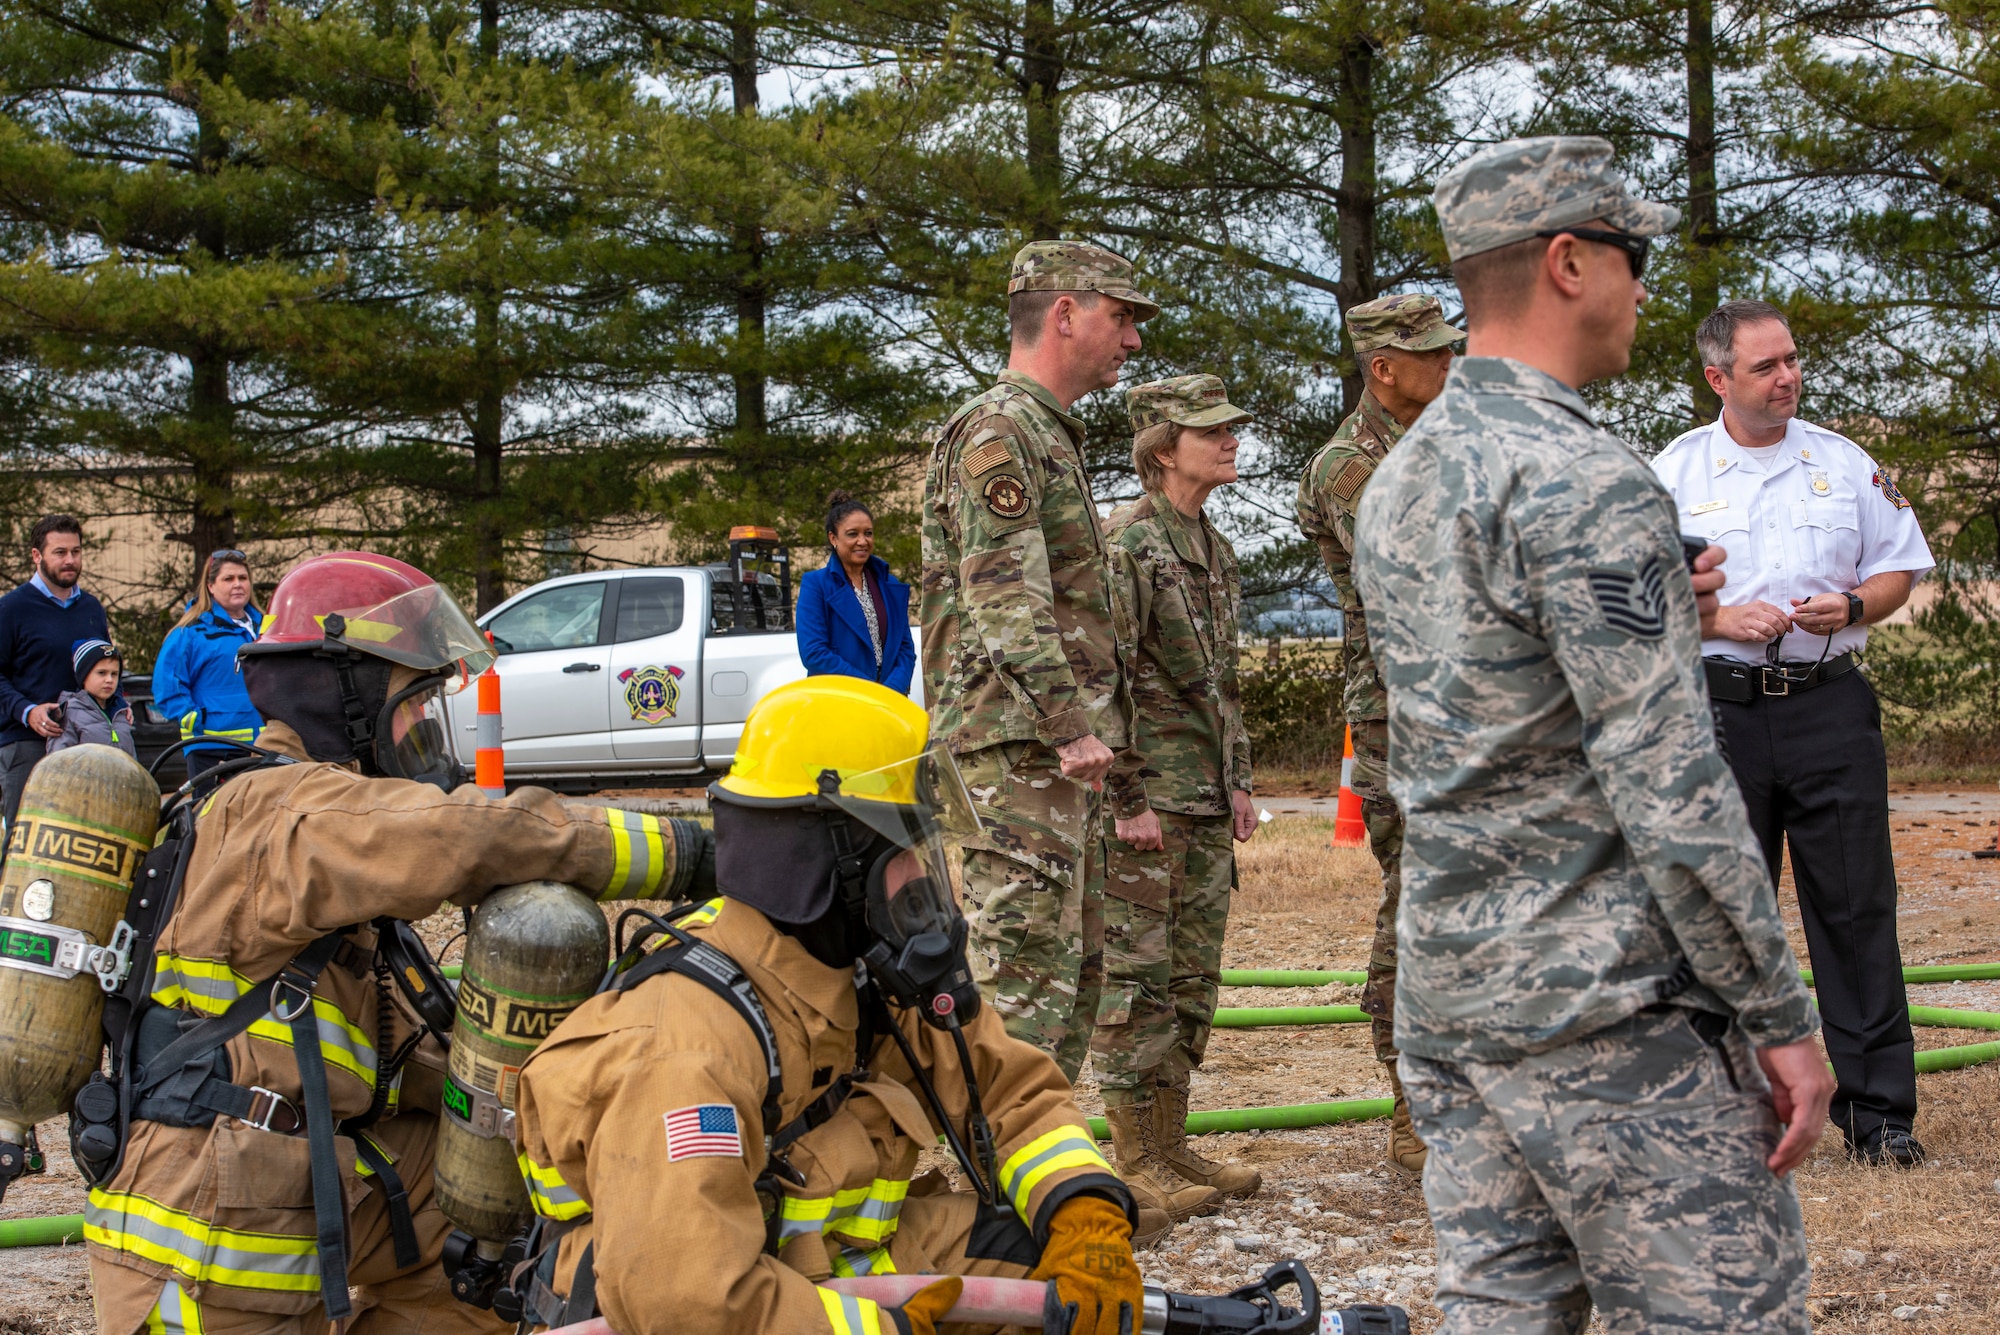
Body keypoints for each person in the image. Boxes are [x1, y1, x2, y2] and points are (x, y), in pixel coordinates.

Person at [1352, 136, 1833, 1331]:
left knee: (1501, 1310)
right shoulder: (1585, 478)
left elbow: (1480, 711)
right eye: (1630, 257)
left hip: (1453, 994)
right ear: (1567, 262)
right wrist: (1778, 1017)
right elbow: (1668, 784)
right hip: (1599, 1007)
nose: (1640, 288)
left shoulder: (1401, 478)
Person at [83, 550, 715, 1335]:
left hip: (294, 1175)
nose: (423, 734)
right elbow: (471, 835)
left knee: (505, 1207)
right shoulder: (290, 810)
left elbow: (391, 1045)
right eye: (411, 706)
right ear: (342, 696)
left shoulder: (309, 825)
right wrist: (703, 852)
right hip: (212, 1237)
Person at [513, 676, 1155, 1335]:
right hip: (693, 1308)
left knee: (1035, 1255)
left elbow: (1006, 1088)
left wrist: (1085, 1212)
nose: (927, 883)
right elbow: (693, 1304)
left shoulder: (859, 968)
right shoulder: (682, 1047)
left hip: (820, 1262)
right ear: (828, 864)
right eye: (907, 852)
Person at [1652, 299, 1936, 1168]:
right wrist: (1717, 614)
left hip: (1828, 703)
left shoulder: (1842, 462)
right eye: (1766, 366)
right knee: (1717, 917)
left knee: (1855, 909)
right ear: (1717, 378)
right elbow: (1631, 593)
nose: (1788, 377)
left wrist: (1851, 604)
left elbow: (1899, 569)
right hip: (1717, 708)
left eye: (1792, 359)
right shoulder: (1671, 472)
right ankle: (1716, 1113)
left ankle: (1878, 1115)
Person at [919, 241, 1153, 1082]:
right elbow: (1005, 597)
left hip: (1048, 759)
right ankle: (997, 1199)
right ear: (1065, 313)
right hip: (1013, 757)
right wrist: (1068, 724)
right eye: (1119, 317)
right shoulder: (1000, 432)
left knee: (1066, 988)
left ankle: (1039, 1188)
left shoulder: (1047, 436)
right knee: (1018, 993)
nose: (1132, 341)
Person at [1294, 292, 1464, 1176]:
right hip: (1403, 712)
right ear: (1382, 368)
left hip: (1477, 703)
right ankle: (1411, 1100)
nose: (1449, 365)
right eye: (1431, 355)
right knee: (1418, 897)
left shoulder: (1450, 435)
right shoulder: (1348, 467)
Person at [1090, 375, 1258, 1223]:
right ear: (1163, 449)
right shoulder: (1127, 543)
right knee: (1135, 985)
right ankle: (1134, 1154)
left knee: (1191, 983)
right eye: (1211, 430)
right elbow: (1103, 674)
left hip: (1200, 797)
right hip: (1147, 800)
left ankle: (1170, 1139)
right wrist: (1125, 795)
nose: (1230, 440)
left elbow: (1224, 682)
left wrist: (1239, 782)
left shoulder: (1213, 547)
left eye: (1231, 427)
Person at [0, 515, 109, 831]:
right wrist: (28, 711)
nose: (70, 560)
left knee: (80, 837)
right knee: (25, 840)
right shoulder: (11, 609)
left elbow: (102, 668)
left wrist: (117, 705)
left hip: (84, 743)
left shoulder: (91, 608)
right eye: (60, 552)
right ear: (37, 556)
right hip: (26, 744)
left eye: (75, 552)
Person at [153, 549, 265, 779]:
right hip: (212, 749)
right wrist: (195, 719)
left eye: (243, 578)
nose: (238, 584)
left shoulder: (268, 628)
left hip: (263, 746)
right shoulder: (190, 633)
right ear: (210, 586)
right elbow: (168, 687)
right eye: (228, 579)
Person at [796, 492, 917, 693]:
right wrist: (869, 689)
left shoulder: (889, 584)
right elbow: (814, 654)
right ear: (833, 538)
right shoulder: (815, 584)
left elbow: (905, 649)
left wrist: (891, 690)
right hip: (841, 699)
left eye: (868, 533)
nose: (862, 541)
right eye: (853, 534)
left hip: (889, 701)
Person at [46, 639, 137, 761]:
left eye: (114, 674)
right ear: (83, 675)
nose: (109, 679)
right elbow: (58, 764)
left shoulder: (121, 713)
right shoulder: (69, 713)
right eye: (101, 673)